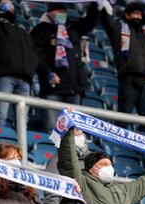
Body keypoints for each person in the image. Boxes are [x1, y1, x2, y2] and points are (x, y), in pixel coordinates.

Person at [32, 2, 99, 130]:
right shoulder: (40, 30)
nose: (62, 14)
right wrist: (48, 73)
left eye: (64, 11)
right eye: (58, 11)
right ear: (50, 13)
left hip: (74, 88)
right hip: (52, 89)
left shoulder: (72, 28)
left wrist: (95, 4)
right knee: (53, 130)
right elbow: (37, 57)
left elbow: (91, 21)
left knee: (72, 132)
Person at [0, 0, 41, 127]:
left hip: (25, 77)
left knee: (22, 120)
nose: (9, 4)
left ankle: (20, 146)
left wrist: (31, 68)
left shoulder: (20, 27)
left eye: (10, 2)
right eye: (5, 1)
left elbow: (32, 50)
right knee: (1, 115)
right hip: (5, 75)